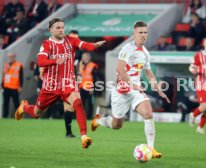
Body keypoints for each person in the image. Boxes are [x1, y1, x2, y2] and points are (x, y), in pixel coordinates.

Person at [14, 17, 105, 148]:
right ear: (51, 29)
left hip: (68, 82)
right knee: (36, 113)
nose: (61, 29)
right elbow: (40, 61)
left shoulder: (70, 40)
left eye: (62, 27)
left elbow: (83, 44)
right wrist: (54, 61)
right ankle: (24, 107)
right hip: (50, 85)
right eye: (58, 27)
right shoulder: (47, 44)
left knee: (78, 103)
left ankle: (84, 136)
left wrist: (94, 46)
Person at [90, 21, 170, 158]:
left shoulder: (145, 53)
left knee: (148, 114)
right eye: (140, 32)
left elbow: (149, 73)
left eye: (145, 32)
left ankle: (151, 149)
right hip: (121, 90)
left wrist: (158, 89)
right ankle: (98, 120)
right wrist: (133, 85)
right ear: (134, 34)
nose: (143, 35)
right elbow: (120, 69)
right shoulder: (127, 49)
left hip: (135, 90)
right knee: (117, 125)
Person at [2, 53, 23, 118]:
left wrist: (20, 86)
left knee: (16, 103)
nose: (10, 58)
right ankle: (5, 116)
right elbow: (4, 76)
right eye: (9, 57)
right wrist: (1, 84)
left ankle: (19, 116)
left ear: (14, 57)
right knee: (5, 103)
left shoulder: (19, 65)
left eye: (12, 56)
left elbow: (21, 76)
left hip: (14, 87)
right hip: (6, 87)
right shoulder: (6, 65)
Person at [78, 52, 99, 119]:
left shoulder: (93, 65)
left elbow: (95, 78)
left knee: (90, 103)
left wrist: (93, 87)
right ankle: (82, 116)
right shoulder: (81, 65)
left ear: (88, 57)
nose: (82, 58)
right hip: (82, 87)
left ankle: (89, 116)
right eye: (82, 57)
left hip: (89, 87)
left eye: (84, 56)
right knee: (82, 103)